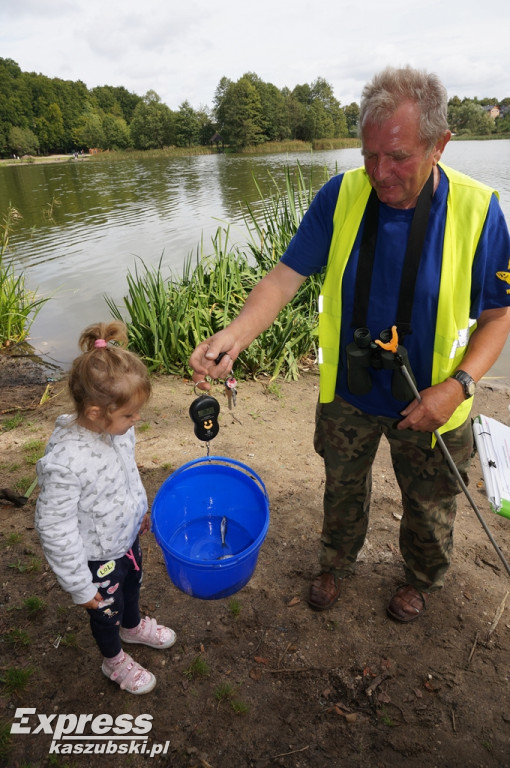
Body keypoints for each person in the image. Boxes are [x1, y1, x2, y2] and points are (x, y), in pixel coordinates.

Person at [189, 65, 510, 623]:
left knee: (430, 503)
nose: (380, 173)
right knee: (341, 487)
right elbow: (284, 277)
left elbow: (499, 316)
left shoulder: (481, 212)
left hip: (432, 399)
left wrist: (457, 388)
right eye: (369, 155)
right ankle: (336, 563)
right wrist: (234, 336)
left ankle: (420, 578)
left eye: (399, 157)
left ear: (439, 144)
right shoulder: (340, 196)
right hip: (350, 390)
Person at [35, 321, 176, 693]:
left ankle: (132, 628)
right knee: (105, 611)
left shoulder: (117, 431)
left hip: (125, 540)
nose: (136, 421)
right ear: (96, 412)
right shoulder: (66, 461)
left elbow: (126, 473)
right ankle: (113, 660)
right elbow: (54, 528)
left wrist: (138, 510)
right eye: (129, 415)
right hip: (98, 558)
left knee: (132, 588)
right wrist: (80, 586)